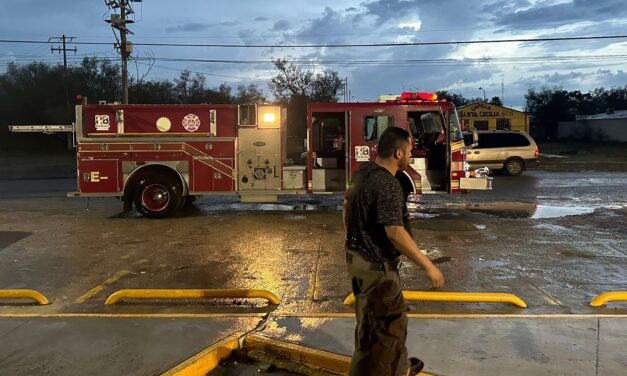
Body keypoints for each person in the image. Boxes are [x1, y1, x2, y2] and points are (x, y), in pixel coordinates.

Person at [343, 126, 445, 376]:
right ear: (398, 153)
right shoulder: (388, 184)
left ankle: (401, 369)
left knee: (377, 327)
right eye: (410, 150)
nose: (411, 155)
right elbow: (395, 232)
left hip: (358, 263)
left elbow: (346, 210)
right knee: (382, 336)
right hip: (378, 270)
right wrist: (428, 265)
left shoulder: (362, 174)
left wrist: (357, 240)